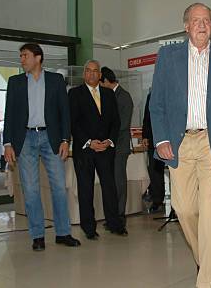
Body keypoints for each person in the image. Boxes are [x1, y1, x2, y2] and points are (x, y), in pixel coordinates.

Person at [150, 3, 211, 288]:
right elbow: (156, 104)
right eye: (196, 20)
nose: (202, 25)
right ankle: (202, 256)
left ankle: (206, 281)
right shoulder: (167, 57)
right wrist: (162, 139)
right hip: (179, 142)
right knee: (184, 209)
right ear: (186, 26)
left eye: (207, 20)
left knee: (209, 214)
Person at [3, 43, 80, 251]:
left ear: (38, 58)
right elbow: (9, 113)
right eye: (20, 56)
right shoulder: (15, 82)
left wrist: (66, 139)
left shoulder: (55, 80)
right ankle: (37, 235)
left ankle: (63, 233)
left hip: (51, 138)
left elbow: (64, 112)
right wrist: (8, 143)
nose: (22, 60)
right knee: (30, 189)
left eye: (25, 56)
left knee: (58, 188)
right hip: (25, 139)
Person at [69, 60, 128, 240]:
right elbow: (73, 122)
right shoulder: (74, 94)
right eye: (89, 71)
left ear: (100, 75)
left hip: (105, 149)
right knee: (86, 189)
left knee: (109, 187)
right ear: (84, 73)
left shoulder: (109, 94)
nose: (92, 74)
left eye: (96, 71)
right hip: (85, 149)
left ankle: (114, 224)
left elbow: (116, 121)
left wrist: (109, 141)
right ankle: (89, 228)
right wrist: (89, 142)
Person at [100, 66, 134, 224]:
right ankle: (112, 215)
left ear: (106, 81)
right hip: (109, 145)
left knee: (119, 180)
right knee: (111, 181)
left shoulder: (124, 96)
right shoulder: (107, 96)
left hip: (120, 145)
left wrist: (107, 134)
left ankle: (120, 214)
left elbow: (123, 124)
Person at [142, 91, 165, 213]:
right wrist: (145, 135)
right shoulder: (151, 95)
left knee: (175, 172)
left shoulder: (176, 90)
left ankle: (176, 205)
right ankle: (157, 201)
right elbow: (147, 116)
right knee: (155, 171)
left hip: (173, 138)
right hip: (154, 139)